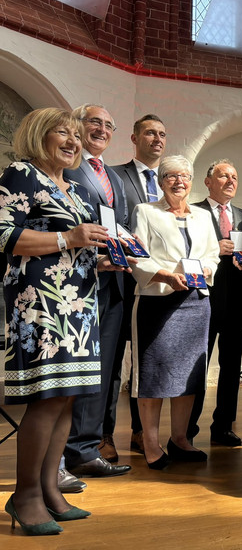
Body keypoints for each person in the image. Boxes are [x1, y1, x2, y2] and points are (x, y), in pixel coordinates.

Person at [0, 108, 125, 534]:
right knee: (47, 397)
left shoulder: (74, 190)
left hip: (80, 304)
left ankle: (50, 490)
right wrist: (67, 238)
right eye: (63, 133)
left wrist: (101, 260)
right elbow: (3, 235)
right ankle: (25, 495)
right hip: (40, 302)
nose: (73, 141)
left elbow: (76, 244)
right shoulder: (21, 174)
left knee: (69, 396)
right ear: (39, 134)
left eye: (77, 135)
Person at [129, 156, 220, 469]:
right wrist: (167, 276)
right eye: (170, 176)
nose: (179, 181)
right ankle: (151, 445)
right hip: (157, 299)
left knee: (189, 376)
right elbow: (136, 257)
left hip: (196, 301)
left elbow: (213, 256)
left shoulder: (203, 216)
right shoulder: (145, 211)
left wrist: (205, 268)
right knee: (153, 375)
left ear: (192, 180)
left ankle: (180, 439)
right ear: (160, 181)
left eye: (184, 175)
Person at [62, 104, 132, 478]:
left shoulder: (115, 178)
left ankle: (85, 449)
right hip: (79, 282)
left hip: (113, 282)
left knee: (100, 371)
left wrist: (128, 246)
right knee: (74, 369)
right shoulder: (69, 165)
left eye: (108, 124)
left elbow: (115, 224)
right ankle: (60, 453)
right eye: (95, 122)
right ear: (78, 126)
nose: (102, 130)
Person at [188, 159, 242, 446]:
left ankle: (223, 427)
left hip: (236, 302)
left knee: (232, 368)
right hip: (201, 300)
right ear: (208, 181)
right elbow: (183, 252)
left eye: (234, 176)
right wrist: (214, 248)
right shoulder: (192, 212)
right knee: (197, 367)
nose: (230, 181)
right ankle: (186, 430)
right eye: (223, 176)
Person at [110, 114, 166, 455]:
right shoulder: (116, 175)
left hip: (157, 282)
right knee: (117, 359)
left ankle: (140, 432)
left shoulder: (170, 182)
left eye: (161, 134)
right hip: (120, 277)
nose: (157, 139)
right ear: (134, 139)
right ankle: (103, 436)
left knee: (147, 359)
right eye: (149, 133)